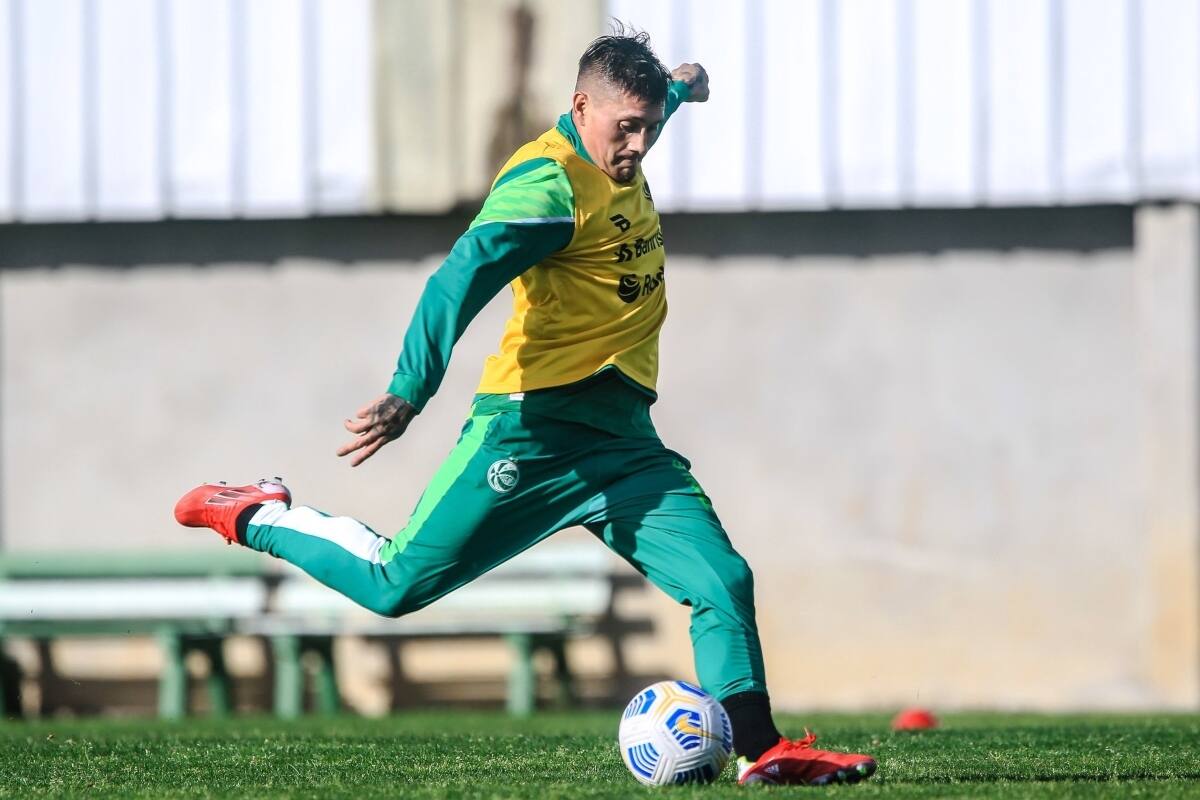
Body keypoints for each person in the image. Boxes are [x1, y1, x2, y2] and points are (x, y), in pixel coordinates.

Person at [175, 28, 876, 787]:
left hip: (622, 444)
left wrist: (684, 84)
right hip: (530, 433)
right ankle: (258, 513)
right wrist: (411, 388)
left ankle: (762, 750)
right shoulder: (546, 186)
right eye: (626, 128)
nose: (639, 145)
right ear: (580, 107)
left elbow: (661, 97)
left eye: (648, 127)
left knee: (722, 581)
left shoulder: (626, 129)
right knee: (393, 586)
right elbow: (459, 277)